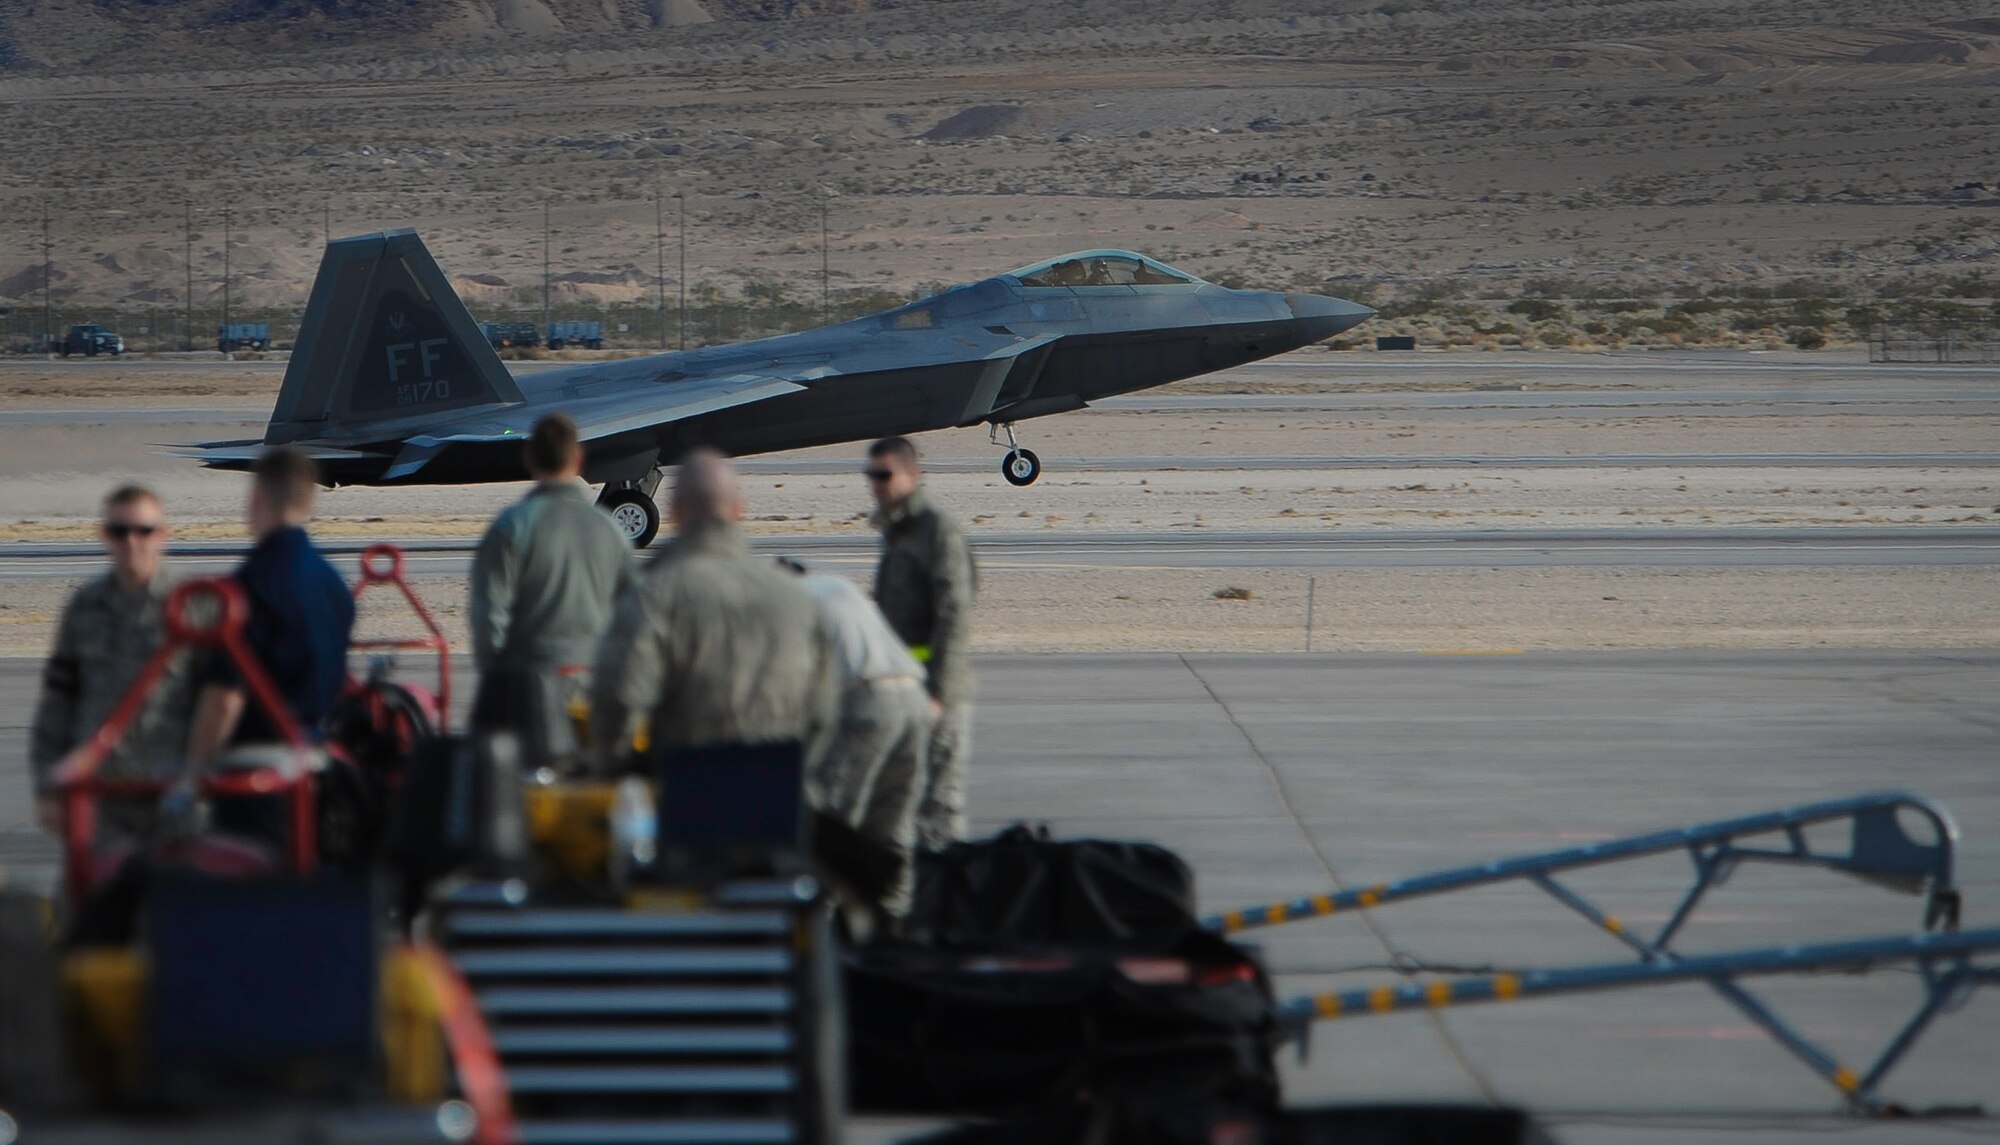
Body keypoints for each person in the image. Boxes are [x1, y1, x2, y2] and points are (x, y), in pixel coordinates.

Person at [588, 450, 833, 776]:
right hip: (777, 798)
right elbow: (825, 711)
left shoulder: (655, 596)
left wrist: (617, 768)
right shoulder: (796, 599)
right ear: (738, 509)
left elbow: (618, 696)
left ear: (674, 513)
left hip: (687, 792)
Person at [468, 413, 636, 767]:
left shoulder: (512, 527)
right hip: (594, 688)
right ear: (578, 460)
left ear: (530, 459)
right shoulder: (611, 531)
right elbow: (634, 617)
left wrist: (499, 678)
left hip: (529, 691)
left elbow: (488, 616)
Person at [29, 485, 195, 840]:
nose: (132, 542)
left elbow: (221, 701)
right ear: (105, 536)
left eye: (144, 531)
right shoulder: (84, 607)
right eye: (120, 532)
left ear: (163, 535)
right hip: (101, 797)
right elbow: (58, 701)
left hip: (172, 798)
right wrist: (46, 786)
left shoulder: (193, 609)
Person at [185, 447, 355, 764]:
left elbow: (224, 697)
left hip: (258, 763)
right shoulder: (334, 583)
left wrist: (194, 773)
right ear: (309, 503)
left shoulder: (247, 586)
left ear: (256, 498)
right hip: (320, 757)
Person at [786, 559, 932, 918]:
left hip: (868, 702)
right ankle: (896, 922)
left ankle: (831, 925)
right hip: (913, 697)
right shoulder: (837, 587)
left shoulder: (791, 607)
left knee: (836, 823)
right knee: (893, 826)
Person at [865, 436, 976, 850]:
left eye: (884, 475)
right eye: (871, 476)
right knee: (895, 803)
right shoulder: (896, 531)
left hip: (935, 693)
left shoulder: (936, 531)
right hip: (902, 690)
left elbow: (954, 614)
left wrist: (939, 693)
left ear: (912, 475)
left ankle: (945, 901)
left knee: (940, 811)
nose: (876, 484)